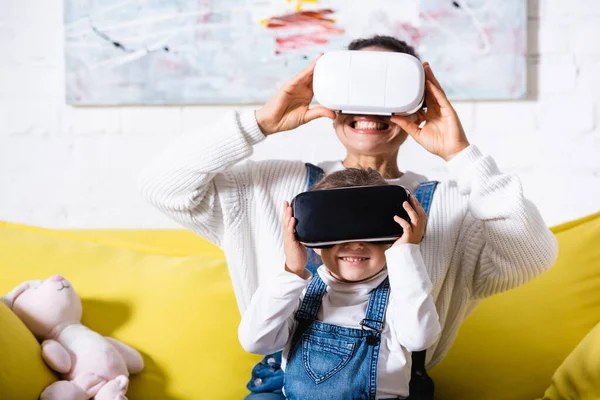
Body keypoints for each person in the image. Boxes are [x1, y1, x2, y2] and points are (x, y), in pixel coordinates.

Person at [139, 35, 558, 399]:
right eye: (357, 88)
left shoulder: (451, 204)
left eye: (389, 91)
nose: (370, 108)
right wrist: (259, 124)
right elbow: (163, 187)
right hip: (279, 385)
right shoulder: (269, 188)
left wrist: (459, 154)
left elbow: (531, 254)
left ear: (420, 103)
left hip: (395, 385)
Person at [238, 168, 441, 399]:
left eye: (369, 230)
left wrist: (406, 252)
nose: (355, 245)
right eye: (339, 230)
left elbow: (419, 338)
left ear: (392, 237)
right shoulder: (298, 293)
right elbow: (255, 341)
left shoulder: (403, 296)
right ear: (312, 239)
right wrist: (292, 270)